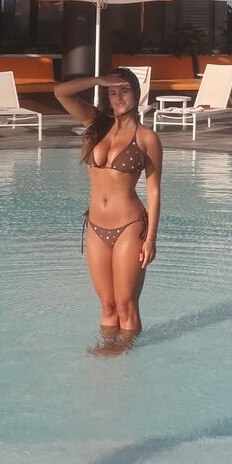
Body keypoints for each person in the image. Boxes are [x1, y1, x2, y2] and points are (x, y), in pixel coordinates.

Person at [53, 68, 163, 354]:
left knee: (126, 304)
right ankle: (108, 352)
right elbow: (60, 92)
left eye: (124, 90)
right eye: (112, 92)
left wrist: (151, 238)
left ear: (136, 93)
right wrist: (98, 81)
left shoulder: (147, 138)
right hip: (95, 226)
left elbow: (153, 190)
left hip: (130, 226)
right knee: (107, 305)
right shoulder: (96, 124)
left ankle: (127, 355)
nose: (118, 97)